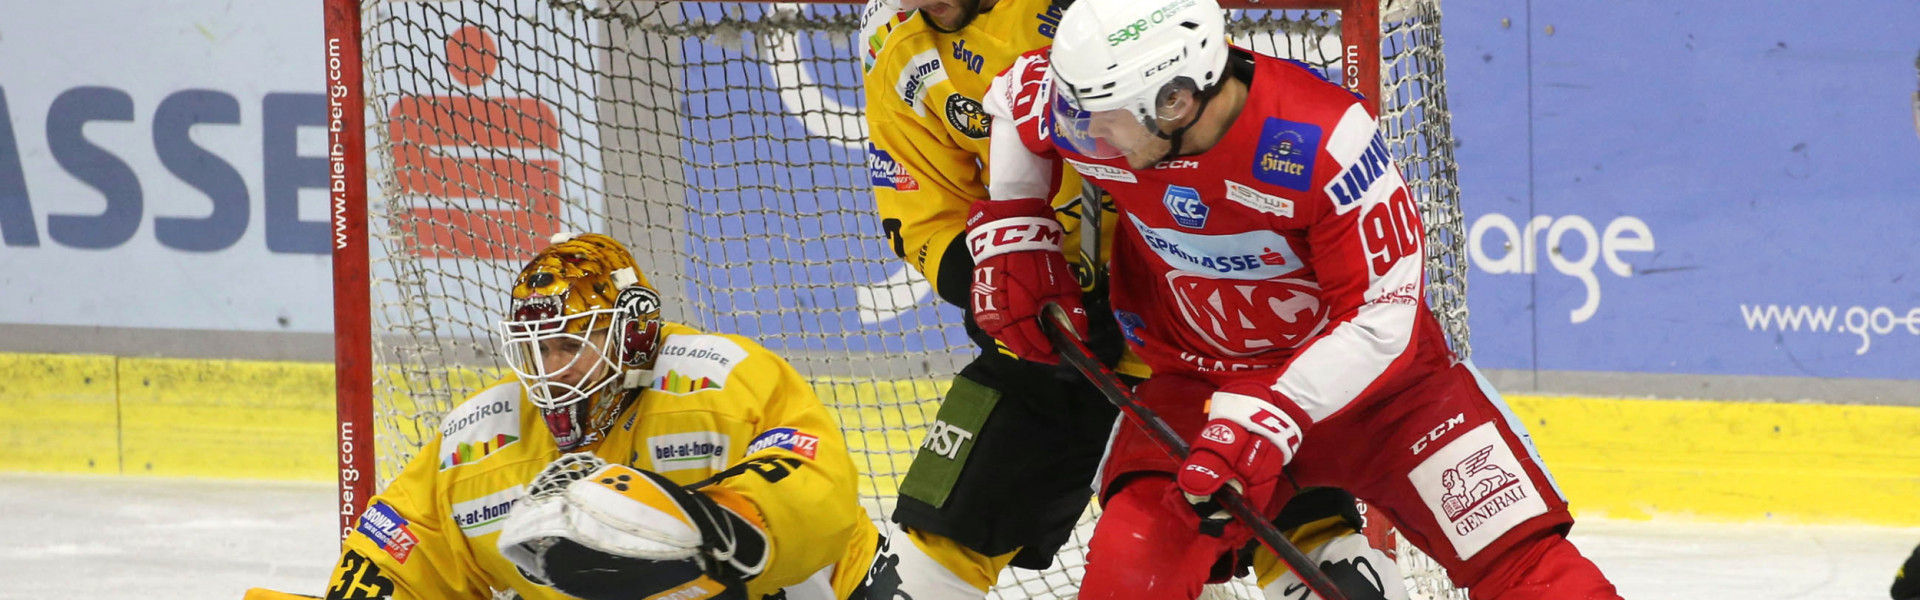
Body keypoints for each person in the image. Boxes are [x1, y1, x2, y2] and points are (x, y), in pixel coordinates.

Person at [966, 0, 1623, 597]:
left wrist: (1273, 412)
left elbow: (1382, 317)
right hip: (1199, 385)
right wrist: (1016, 230)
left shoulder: (1326, 140)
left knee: (1530, 569)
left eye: (1101, 121)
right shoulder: (1104, 109)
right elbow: (1010, 101)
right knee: (1130, 566)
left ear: (1175, 101)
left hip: (1383, 399)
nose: (1086, 139)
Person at [860, 0, 1403, 598]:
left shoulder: (1102, 14)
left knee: (1322, 559)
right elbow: (923, 221)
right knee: (912, 575)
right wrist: (1002, 284)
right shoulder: (900, 56)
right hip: (1050, 335)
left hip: (1215, 330)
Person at [248, 233, 878, 600]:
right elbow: (398, 556)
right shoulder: (481, 442)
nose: (549, 370)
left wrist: (721, 523)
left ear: (632, 335)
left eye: (569, 345)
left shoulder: (717, 379)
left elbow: (817, 484)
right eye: (534, 348)